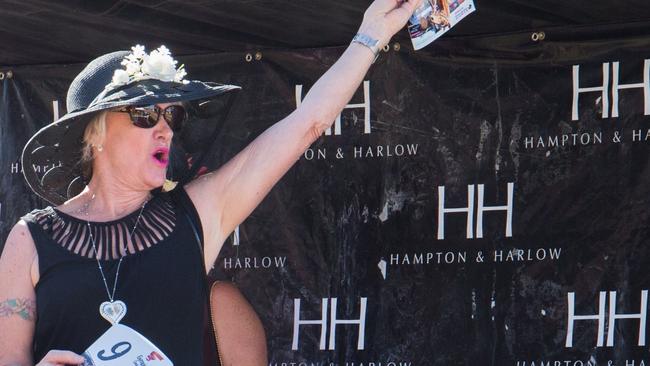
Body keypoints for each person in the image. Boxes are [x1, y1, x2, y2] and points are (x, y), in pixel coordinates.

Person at [0, 0, 423, 365]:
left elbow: (306, 124)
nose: (165, 129)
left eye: (173, 116)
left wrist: (372, 34)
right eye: (146, 115)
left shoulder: (196, 214)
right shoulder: (30, 240)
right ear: (95, 137)